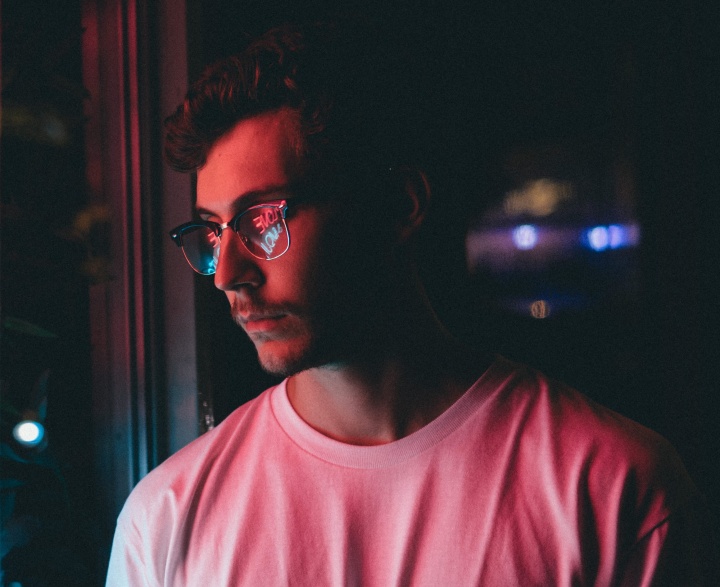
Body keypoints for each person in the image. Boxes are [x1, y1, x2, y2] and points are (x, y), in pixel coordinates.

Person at [106, 21, 714, 586]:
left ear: (399, 206)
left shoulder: (611, 488)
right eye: (213, 232)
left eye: (263, 219)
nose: (227, 275)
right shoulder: (166, 516)